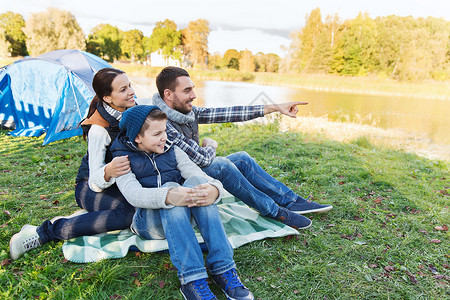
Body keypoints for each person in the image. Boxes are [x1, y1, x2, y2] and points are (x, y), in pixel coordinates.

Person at [152, 66, 333, 230]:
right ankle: (275, 211)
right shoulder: (161, 122)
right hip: (180, 184)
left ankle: (292, 202)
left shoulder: (187, 112)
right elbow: (203, 159)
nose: (194, 95)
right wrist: (212, 146)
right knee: (220, 165)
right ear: (168, 94)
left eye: (193, 88)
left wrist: (276, 107)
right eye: (187, 90)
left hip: (197, 172)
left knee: (242, 158)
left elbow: (229, 113)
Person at [110, 105, 254, 300]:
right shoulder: (121, 159)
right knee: (171, 186)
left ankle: (223, 268)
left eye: (165, 131)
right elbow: (134, 195)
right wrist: (169, 194)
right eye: (157, 133)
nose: (165, 137)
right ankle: (192, 280)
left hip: (181, 218)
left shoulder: (173, 150)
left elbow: (198, 175)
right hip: (148, 223)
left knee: (198, 183)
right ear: (138, 137)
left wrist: (214, 190)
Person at [9, 68, 136, 260]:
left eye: (130, 86)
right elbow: (94, 182)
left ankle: (79, 219)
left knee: (140, 207)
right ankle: (44, 232)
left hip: (120, 184)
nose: (131, 92)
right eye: (123, 89)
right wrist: (109, 171)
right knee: (126, 214)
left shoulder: (133, 113)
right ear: (108, 98)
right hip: (89, 186)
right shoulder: (98, 130)